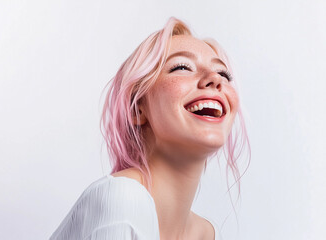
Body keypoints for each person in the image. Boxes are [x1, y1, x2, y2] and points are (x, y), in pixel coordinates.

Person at [49, 16, 250, 240]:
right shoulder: (123, 198)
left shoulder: (209, 234)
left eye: (223, 73)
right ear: (138, 109)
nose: (215, 79)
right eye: (182, 67)